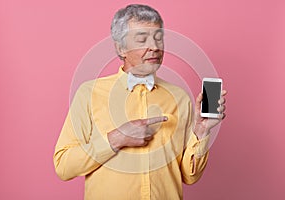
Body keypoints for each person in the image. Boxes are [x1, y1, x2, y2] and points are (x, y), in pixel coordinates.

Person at [53, 4, 227, 200]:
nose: (154, 46)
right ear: (121, 48)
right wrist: (117, 138)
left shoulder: (179, 98)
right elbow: (63, 166)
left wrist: (202, 132)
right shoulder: (89, 94)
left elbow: (189, 176)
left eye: (159, 38)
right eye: (142, 39)